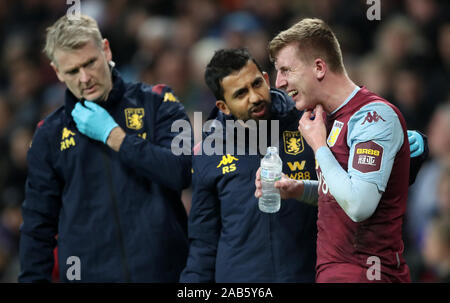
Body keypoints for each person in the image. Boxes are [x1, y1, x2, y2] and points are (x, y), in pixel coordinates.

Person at [19, 15, 192, 282]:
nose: (85, 78)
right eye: (73, 71)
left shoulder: (158, 102)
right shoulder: (48, 135)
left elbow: (181, 171)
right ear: (56, 72)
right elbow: (37, 226)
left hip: (165, 274)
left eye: (90, 63)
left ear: (106, 49)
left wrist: (116, 137)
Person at [255, 18, 420, 282]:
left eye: (286, 70)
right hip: (336, 272)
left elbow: (358, 205)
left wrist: (319, 146)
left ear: (319, 67)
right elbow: (341, 193)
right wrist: (299, 189)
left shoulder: (372, 117)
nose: (279, 83)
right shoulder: (329, 119)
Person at [180, 48, 318, 282]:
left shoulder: (310, 126)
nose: (254, 97)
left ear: (266, 79)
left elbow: (341, 196)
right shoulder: (208, 153)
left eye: (256, 84)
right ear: (223, 106)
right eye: (241, 93)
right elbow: (203, 245)